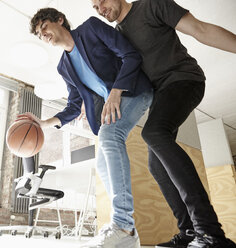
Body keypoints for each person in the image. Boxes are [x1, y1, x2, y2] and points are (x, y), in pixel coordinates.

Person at [90, 0, 236, 247]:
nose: (100, 9)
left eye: (101, 1)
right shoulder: (117, 36)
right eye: (94, 8)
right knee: (155, 164)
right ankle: (189, 231)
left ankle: (210, 232)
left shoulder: (151, 6)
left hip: (184, 80)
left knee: (154, 133)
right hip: (161, 96)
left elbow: (200, 30)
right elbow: (117, 77)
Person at [17, 7, 153, 248]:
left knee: (110, 136)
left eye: (44, 27)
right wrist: (44, 123)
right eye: (39, 34)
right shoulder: (63, 67)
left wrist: (115, 91)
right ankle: (128, 234)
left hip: (135, 91)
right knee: (101, 164)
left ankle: (122, 224)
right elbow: (74, 105)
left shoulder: (90, 28)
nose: (43, 34)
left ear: (59, 20)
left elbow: (130, 55)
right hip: (114, 106)